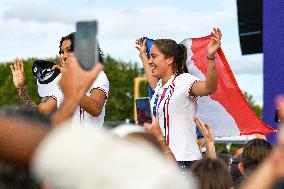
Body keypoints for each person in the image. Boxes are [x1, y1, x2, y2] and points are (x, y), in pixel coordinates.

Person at [135, 28, 222, 170]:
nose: (151, 61)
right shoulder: (159, 87)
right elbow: (152, 79)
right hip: (161, 160)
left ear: (170, 59)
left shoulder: (184, 81)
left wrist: (211, 58)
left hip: (183, 160)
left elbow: (209, 88)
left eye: (154, 56)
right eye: (150, 57)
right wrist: (143, 56)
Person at [10, 32, 109, 127]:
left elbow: (95, 109)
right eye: (62, 52)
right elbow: (38, 114)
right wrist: (21, 88)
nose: (64, 56)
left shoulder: (98, 76)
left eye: (69, 50)